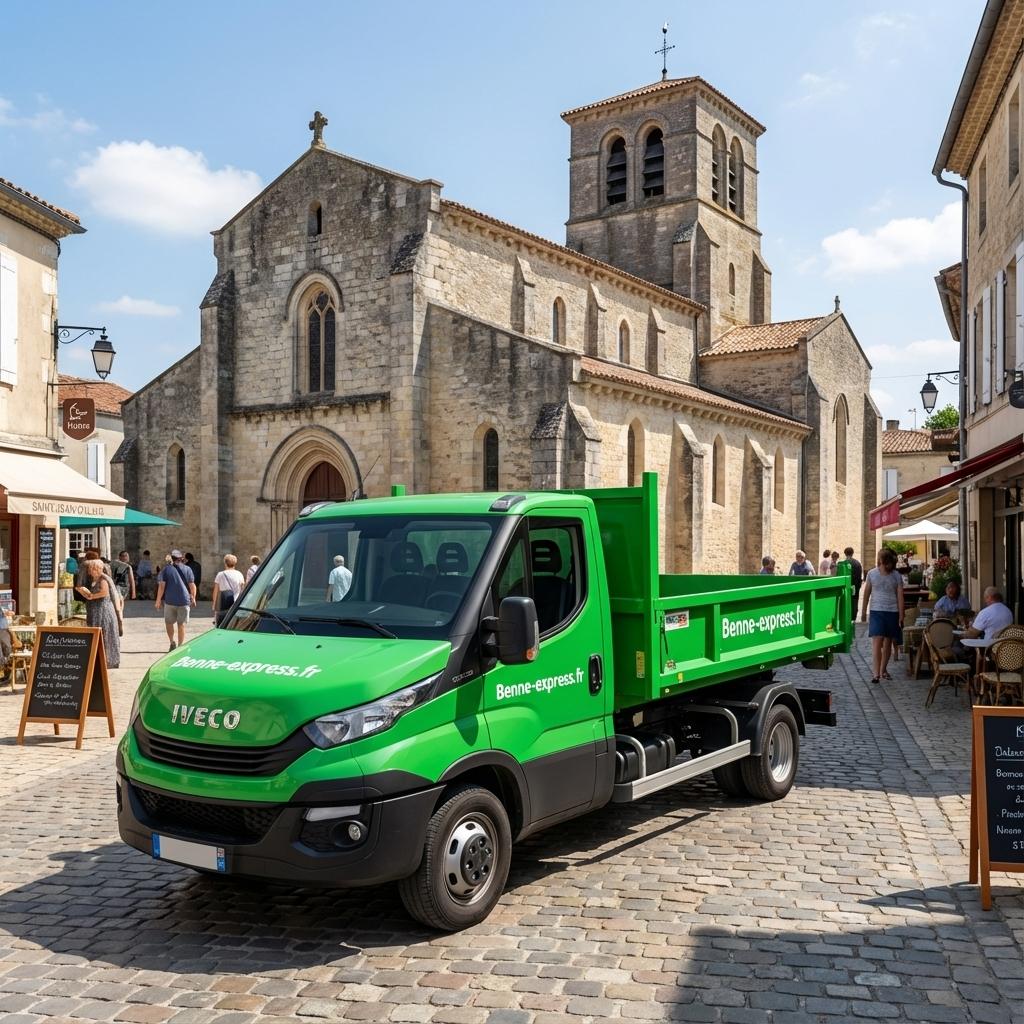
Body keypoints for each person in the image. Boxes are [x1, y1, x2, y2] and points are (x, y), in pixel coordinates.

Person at [861, 547, 904, 685]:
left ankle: (883, 669)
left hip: (892, 611)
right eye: (888, 563)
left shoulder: (896, 576)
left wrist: (901, 615)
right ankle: (876, 674)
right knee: (877, 641)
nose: (889, 566)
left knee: (888, 642)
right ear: (882, 561)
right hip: (876, 611)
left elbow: (900, 596)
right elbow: (867, 593)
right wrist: (863, 611)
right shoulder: (872, 574)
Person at [75, 559, 120, 668]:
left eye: (92, 569)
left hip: (103, 611)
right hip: (97, 611)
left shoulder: (103, 579)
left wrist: (91, 596)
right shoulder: (94, 579)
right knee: (99, 634)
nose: (89, 571)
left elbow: (104, 592)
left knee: (105, 634)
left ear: (98, 569)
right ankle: (99, 660)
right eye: (90, 569)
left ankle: (108, 660)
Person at [156, 549, 196, 652]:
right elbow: (192, 585)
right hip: (184, 601)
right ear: (181, 558)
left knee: (169, 623)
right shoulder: (188, 569)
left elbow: (162, 586)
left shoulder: (166, 569)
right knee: (181, 624)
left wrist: (158, 600)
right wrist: (193, 597)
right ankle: (180, 646)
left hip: (170, 601)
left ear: (172, 558)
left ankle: (172, 642)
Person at [212, 554, 245, 626]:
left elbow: (216, 591)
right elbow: (243, 589)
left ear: (225, 563)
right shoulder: (239, 574)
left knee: (222, 623)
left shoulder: (220, 574)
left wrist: (214, 604)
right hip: (236, 602)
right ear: (235, 563)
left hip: (223, 603)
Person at [842, 546, 864, 620]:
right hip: (855, 586)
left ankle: (846, 616)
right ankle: (853, 617)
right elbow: (860, 576)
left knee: (846, 601)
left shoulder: (843, 564)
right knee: (854, 602)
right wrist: (858, 586)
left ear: (845, 553)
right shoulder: (857, 563)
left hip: (845, 586)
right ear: (852, 553)